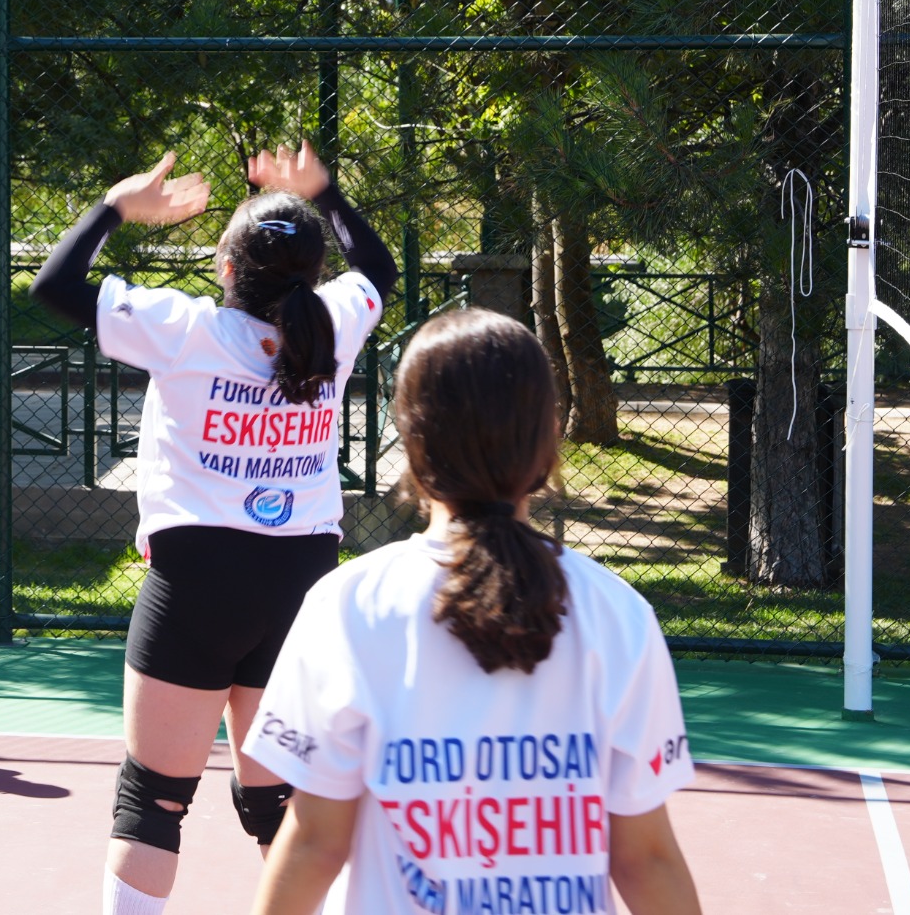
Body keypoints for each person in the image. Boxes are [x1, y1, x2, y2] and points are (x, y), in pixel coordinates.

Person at [29, 141, 396, 915]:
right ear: (312, 278)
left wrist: (116, 207)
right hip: (301, 587)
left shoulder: (183, 328)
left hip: (198, 580)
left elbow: (54, 285)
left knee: (154, 800)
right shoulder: (334, 324)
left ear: (226, 270)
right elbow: (382, 273)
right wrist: (326, 195)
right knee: (281, 808)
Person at [243, 309, 703, 915]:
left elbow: (315, 844)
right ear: (549, 440)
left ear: (410, 442)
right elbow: (646, 861)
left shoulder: (349, 605)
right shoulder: (618, 614)